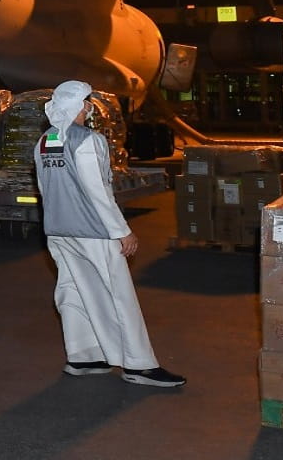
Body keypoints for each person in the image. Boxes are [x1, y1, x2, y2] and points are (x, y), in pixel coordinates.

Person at [33, 80, 185, 387]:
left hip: (58, 231)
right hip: (93, 231)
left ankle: (84, 356)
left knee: (72, 290)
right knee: (119, 295)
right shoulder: (88, 140)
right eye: (87, 102)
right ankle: (138, 365)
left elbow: (44, 189)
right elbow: (98, 191)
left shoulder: (44, 141)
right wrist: (122, 231)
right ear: (78, 106)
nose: (90, 107)